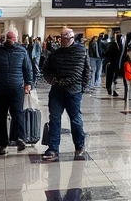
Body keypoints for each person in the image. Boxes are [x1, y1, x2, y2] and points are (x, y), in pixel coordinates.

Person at [40, 28, 89, 161]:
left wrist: (81, 87)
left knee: (75, 119)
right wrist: (52, 80)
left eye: (65, 38)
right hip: (57, 90)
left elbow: (81, 72)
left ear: (71, 39)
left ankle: (79, 145)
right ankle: (53, 148)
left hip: (73, 91)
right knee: (54, 119)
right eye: (61, 38)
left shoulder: (80, 52)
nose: (62, 41)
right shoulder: (56, 53)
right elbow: (46, 69)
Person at [0, 29, 33, 155]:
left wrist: (29, 83)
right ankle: (4, 143)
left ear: (16, 39)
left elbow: (28, 68)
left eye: (12, 38)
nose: (11, 40)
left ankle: (18, 139)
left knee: (17, 114)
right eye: (9, 38)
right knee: (2, 116)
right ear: (5, 39)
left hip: (15, 87)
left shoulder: (22, 51)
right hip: (2, 88)